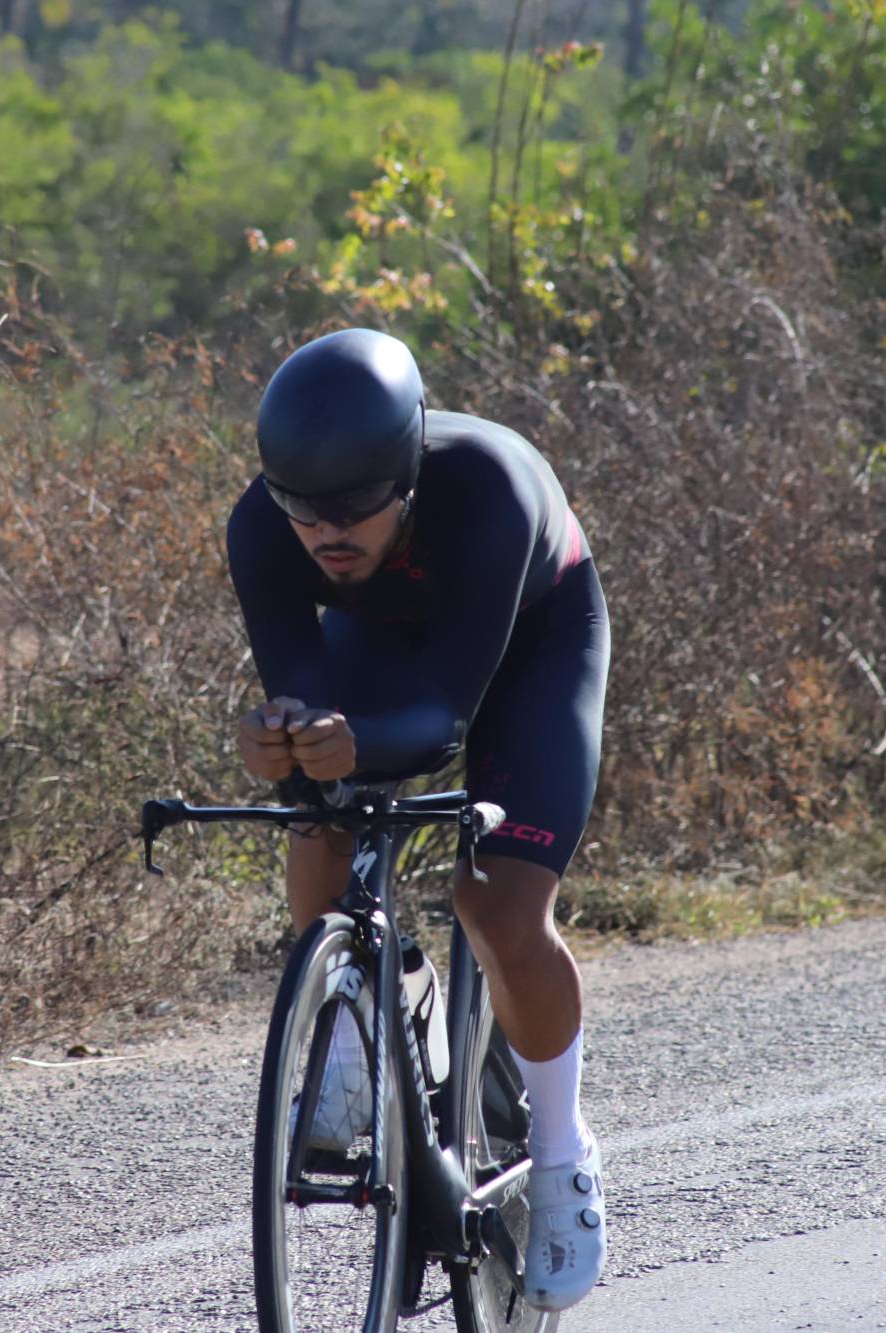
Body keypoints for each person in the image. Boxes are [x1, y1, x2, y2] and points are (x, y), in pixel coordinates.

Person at [225, 327, 611, 1312]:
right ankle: (383, 1001)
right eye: (302, 509)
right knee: (317, 847)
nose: (325, 530)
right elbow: (306, 697)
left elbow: (438, 716)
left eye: (353, 506)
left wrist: (346, 741)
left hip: (529, 636)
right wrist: (281, 737)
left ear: (404, 476)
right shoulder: (261, 527)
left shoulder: (478, 490)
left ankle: (563, 1153)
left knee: (498, 904)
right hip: (388, 646)